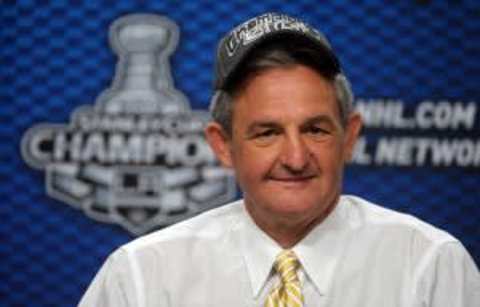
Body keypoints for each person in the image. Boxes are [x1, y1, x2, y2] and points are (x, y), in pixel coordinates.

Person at [79, 12, 480, 307]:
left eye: (316, 130)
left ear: (349, 137)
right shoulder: (142, 276)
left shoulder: (429, 265)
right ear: (223, 146)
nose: (295, 157)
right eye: (267, 133)